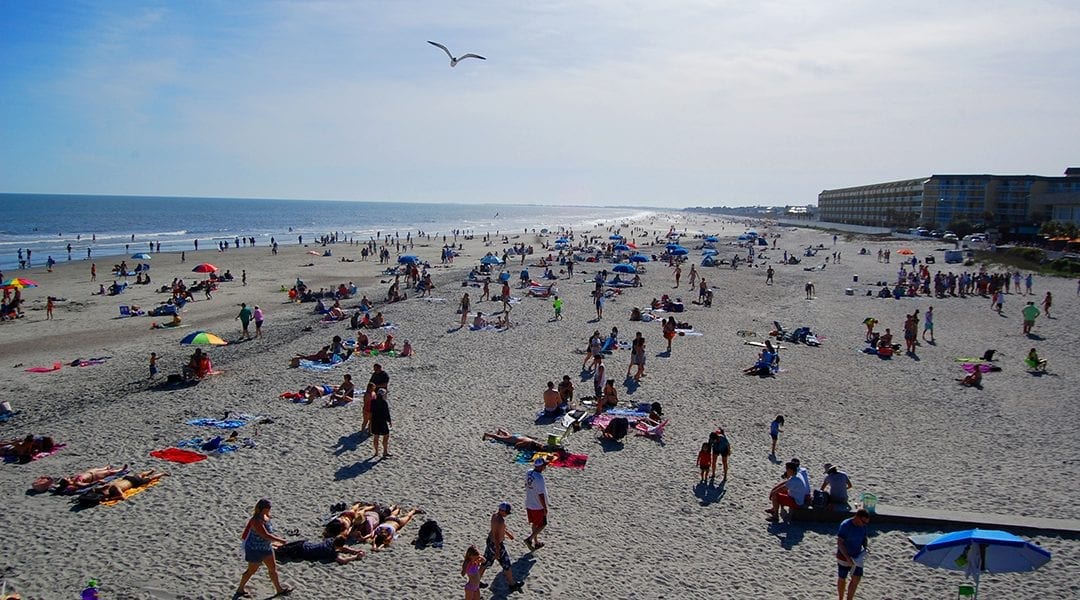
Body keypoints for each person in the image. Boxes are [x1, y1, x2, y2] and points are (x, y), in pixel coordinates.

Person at [235, 498, 292, 598]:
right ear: (262, 508)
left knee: (273, 568)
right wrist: (280, 540)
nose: (270, 509)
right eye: (268, 507)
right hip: (255, 550)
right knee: (251, 571)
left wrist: (274, 542)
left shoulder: (266, 517)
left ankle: (279, 589)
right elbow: (265, 535)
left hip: (266, 548)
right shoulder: (256, 521)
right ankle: (240, 589)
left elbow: (269, 533)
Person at [479, 502, 523, 592]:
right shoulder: (500, 521)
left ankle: (476, 581)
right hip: (496, 544)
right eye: (506, 512)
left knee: (485, 563)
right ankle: (512, 584)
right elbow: (496, 535)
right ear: (502, 510)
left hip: (490, 542)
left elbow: (497, 529)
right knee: (506, 563)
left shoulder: (495, 516)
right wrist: (498, 551)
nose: (507, 514)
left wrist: (507, 534)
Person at [836, 509, 871, 600]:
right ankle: (840, 598)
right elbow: (840, 543)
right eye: (863, 522)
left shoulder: (863, 526)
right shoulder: (846, 525)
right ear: (857, 517)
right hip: (843, 556)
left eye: (866, 523)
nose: (864, 524)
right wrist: (847, 558)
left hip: (857, 556)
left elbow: (864, 537)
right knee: (842, 578)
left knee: (856, 579)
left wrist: (865, 547)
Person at [275, 535, 364, 565]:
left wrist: (354, 551)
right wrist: (355, 556)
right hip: (301, 551)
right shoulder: (330, 552)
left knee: (283, 547)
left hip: (302, 543)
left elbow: (342, 547)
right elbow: (342, 560)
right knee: (277, 553)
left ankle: (272, 544)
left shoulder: (330, 540)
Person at [524, 457, 549, 551]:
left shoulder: (529, 472)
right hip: (537, 506)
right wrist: (545, 507)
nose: (545, 467)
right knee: (542, 524)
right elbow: (541, 494)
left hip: (529, 502)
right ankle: (530, 539)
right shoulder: (539, 478)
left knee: (535, 523)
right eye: (544, 466)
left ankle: (536, 541)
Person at [370, 388, 392, 458]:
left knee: (376, 437)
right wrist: (389, 421)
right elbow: (386, 413)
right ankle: (385, 452)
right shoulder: (384, 402)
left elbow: (371, 411)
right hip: (382, 421)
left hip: (374, 421)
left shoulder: (373, 401)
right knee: (386, 436)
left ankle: (376, 452)